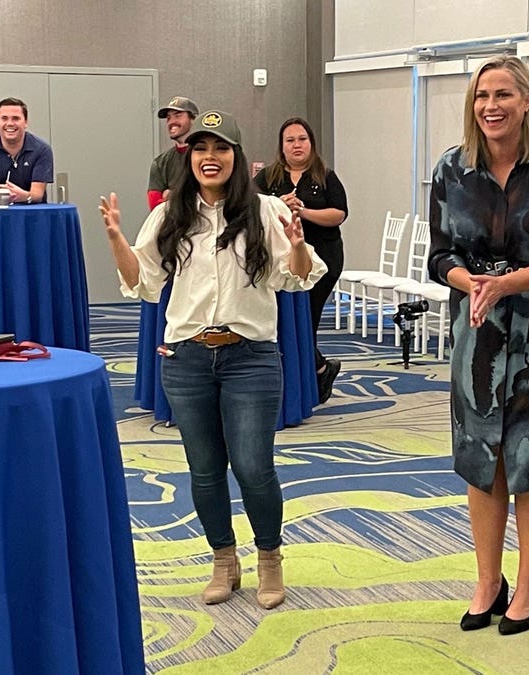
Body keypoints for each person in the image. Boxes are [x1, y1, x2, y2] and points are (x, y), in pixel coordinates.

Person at [99, 110, 325, 610]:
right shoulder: (169, 216)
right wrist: (118, 240)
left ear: (237, 158)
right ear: (190, 158)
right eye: (201, 149)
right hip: (188, 359)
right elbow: (144, 282)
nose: (210, 157)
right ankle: (224, 560)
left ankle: (269, 558)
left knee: (253, 466)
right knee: (203, 470)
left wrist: (299, 246)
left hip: (251, 358)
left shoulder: (265, 211)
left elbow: (299, 276)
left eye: (221, 149)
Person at [427, 56, 529, 635]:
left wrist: (507, 282)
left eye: (502, 94)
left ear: (526, 101)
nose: (490, 106)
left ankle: (527, 584)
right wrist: (470, 282)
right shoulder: (452, 169)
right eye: (480, 96)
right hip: (478, 332)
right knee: (482, 460)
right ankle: (486, 579)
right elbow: (439, 253)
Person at [254, 118, 348, 403]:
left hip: (322, 259)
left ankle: (316, 370)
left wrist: (303, 213)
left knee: (306, 320)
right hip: (280, 262)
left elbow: (339, 214)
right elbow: (249, 208)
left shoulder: (325, 176)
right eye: (290, 140)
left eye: (302, 139)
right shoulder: (267, 177)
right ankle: (312, 372)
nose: (297, 145)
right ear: (281, 146)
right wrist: (278, 205)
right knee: (284, 321)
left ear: (311, 143)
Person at [0, 97, 53, 204]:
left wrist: (24, 196)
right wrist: (4, 195)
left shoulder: (42, 149)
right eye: (4, 118)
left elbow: (37, 194)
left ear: (26, 122)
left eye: (16, 118)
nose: (10, 123)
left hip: (32, 215)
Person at [147, 96, 199, 210]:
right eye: (168, 118)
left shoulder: (205, 157)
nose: (171, 122)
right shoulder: (160, 163)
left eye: (178, 116)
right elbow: (155, 207)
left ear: (193, 119)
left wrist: (172, 195)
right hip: (174, 226)